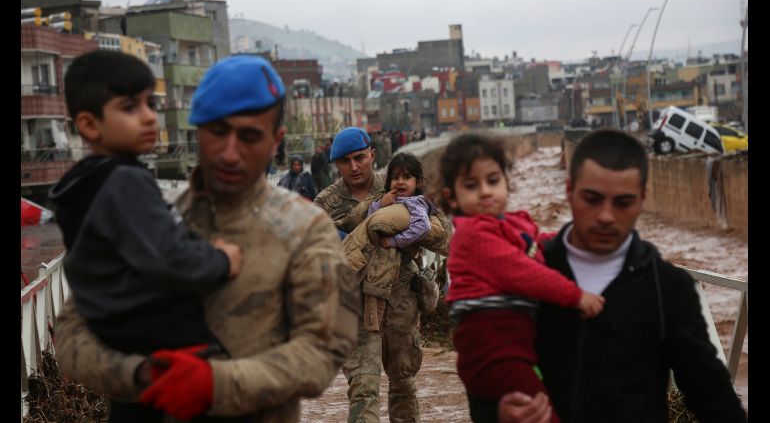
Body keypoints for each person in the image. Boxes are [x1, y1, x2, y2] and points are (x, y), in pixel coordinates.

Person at [54, 55, 359, 423]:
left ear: (276, 141)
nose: (229, 153)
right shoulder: (142, 217)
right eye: (217, 132)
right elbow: (72, 335)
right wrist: (144, 374)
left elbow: (322, 351)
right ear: (196, 129)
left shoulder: (304, 230)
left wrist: (215, 384)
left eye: (249, 136)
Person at [493, 129, 747, 423]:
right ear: (569, 191)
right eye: (592, 199)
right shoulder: (526, 276)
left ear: (642, 199)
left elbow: (712, 396)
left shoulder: (667, 289)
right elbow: (488, 379)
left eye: (623, 202)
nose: (606, 216)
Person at [48, 50, 245, 423]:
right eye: (129, 107)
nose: (149, 116)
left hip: (125, 351)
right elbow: (171, 260)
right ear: (90, 125)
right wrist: (222, 260)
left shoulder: (82, 186)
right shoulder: (125, 181)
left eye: (150, 103)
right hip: (173, 351)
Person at [438, 133, 604, 423]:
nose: (486, 191)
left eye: (493, 180)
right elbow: (526, 272)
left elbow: (535, 246)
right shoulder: (473, 236)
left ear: (506, 181)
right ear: (452, 196)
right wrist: (577, 296)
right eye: (471, 185)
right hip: (493, 350)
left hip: (516, 344)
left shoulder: (507, 225)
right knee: (542, 414)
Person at [314, 127, 449, 423]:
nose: (354, 166)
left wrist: (410, 225)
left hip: (401, 301)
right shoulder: (327, 203)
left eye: (360, 157)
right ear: (336, 164)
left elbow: (446, 238)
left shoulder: (399, 184)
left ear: (372, 154)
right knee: (363, 387)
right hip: (356, 306)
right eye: (345, 161)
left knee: (403, 383)